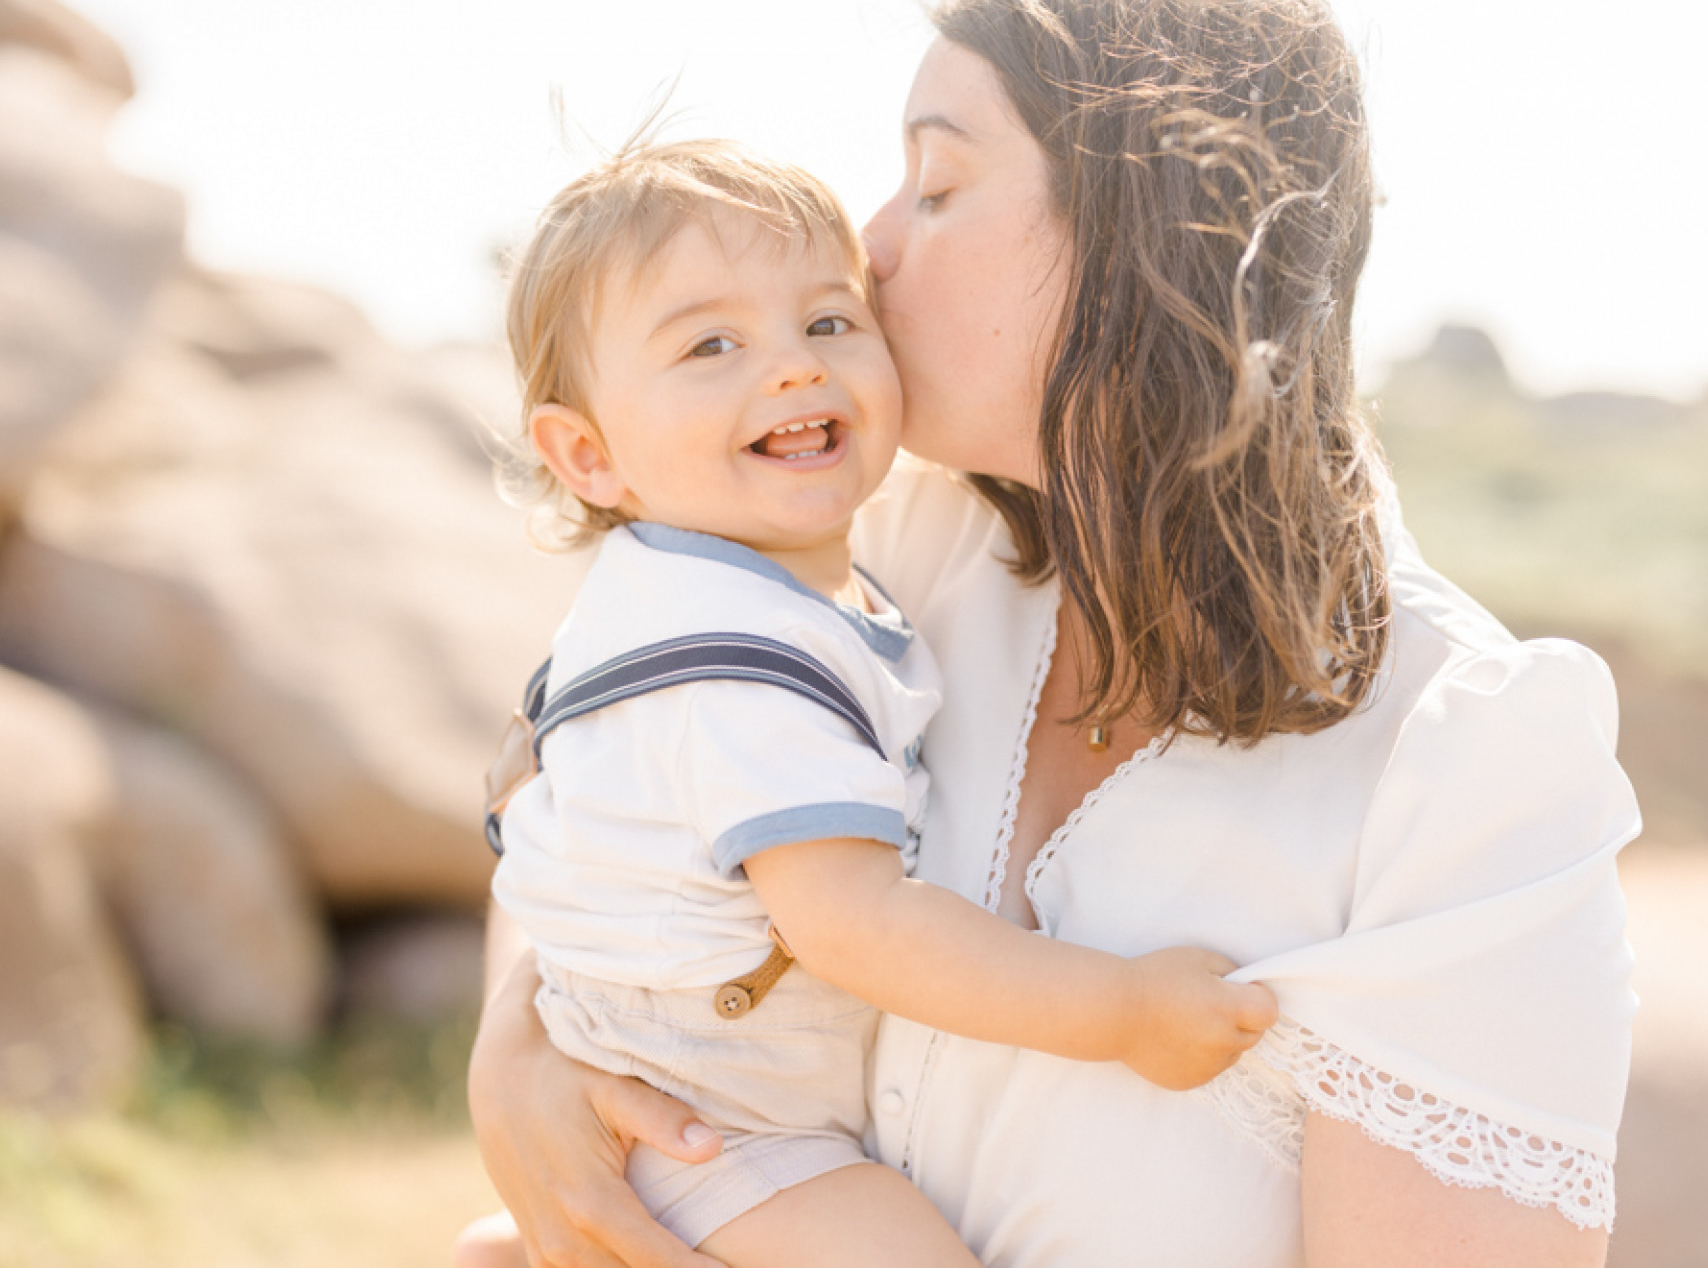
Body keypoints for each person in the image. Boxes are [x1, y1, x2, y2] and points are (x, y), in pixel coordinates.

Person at [465, 0, 1640, 1266]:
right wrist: (515, 1052)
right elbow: (582, 780)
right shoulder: (894, 546)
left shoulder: (1460, 751)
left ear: (1147, 222)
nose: (871, 242)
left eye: (937, 183)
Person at [463, 136, 1278, 1268]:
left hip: (670, 1086)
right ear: (589, 455)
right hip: (717, 1126)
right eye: (711, 344)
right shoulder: (740, 662)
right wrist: (1126, 1013)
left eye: (830, 322)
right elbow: (860, 928)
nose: (793, 367)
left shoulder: (693, 590)